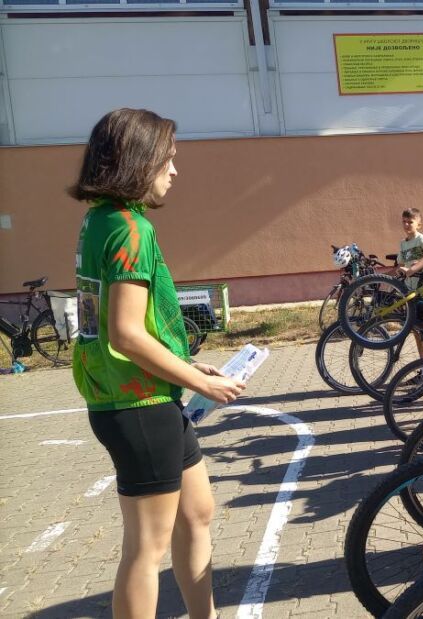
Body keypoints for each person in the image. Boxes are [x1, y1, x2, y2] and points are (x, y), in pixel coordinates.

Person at [70, 108, 246, 619]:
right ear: (138, 160)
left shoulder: (101, 219)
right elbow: (126, 333)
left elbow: (119, 325)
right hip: (138, 404)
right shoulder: (130, 230)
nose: (174, 170)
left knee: (196, 512)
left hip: (141, 395)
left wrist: (187, 367)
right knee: (146, 548)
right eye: (167, 159)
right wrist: (198, 381)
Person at [397, 208, 423, 369]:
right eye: (404, 222)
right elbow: (401, 263)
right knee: (415, 328)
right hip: (410, 290)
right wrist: (400, 270)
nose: (407, 225)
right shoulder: (403, 243)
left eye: (410, 222)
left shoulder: (422, 240)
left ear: (418, 224)